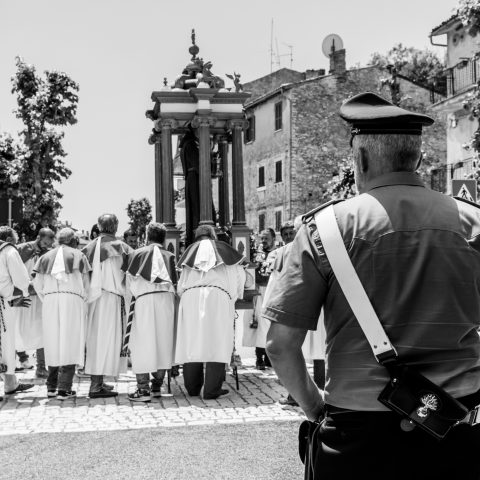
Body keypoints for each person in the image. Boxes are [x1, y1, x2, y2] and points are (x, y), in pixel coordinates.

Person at [264, 92, 480, 479]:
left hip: (356, 436)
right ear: (418, 159)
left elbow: (280, 345)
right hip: (456, 426)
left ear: (360, 159)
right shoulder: (472, 223)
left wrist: (316, 409)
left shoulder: (325, 231)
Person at [175, 224, 246, 399]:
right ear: (213, 235)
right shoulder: (225, 251)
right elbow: (239, 277)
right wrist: (232, 297)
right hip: (218, 296)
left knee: (192, 341)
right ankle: (212, 389)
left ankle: (192, 388)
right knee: (218, 341)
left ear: (196, 237)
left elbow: (180, 283)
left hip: (190, 297)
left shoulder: (190, 252)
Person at [33, 228, 91, 400]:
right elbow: (87, 283)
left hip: (50, 301)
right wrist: (83, 299)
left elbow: (37, 284)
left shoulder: (45, 257)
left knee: (52, 342)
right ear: (73, 241)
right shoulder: (79, 255)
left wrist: (47, 299)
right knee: (70, 341)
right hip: (72, 300)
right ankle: (64, 388)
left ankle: (51, 387)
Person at [122, 222, 177, 402]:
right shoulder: (170, 256)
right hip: (166, 301)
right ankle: (156, 387)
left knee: (141, 343)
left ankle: (143, 389)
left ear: (146, 236)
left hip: (144, 300)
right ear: (164, 237)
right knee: (163, 341)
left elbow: (128, 284)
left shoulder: (136, 254)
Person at [82, 214, 132, 398]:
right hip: (112, 299)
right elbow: (130, 275)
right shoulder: (123, 247)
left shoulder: (88, 248)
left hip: (93, 300)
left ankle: (99, 381)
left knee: (96, 340)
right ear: (116, 226)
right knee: (107, 341)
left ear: (99, 226)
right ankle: (95, 386)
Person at [14, 228, 56, 378]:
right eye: (44, 243)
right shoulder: (21, 249)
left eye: (49, 245)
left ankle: (41, 367)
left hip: (39, 298)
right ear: (38, 237)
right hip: (21, 297)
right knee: (16, 329)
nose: (46, 247)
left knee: (41, 331)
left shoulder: (49, 254)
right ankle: (13, 363)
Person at [0, 226, 34, 397]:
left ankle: (10, 383)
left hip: (5, 302)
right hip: (2, 306)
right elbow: (21, 279)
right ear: (9, 239)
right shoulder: (8, 251)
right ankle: (9, 383)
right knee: (4, 345)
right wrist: (28, 290)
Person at [253, 228, 277, 370]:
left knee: (271, 324)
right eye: (261, 238)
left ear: (273, 238)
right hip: (260, 290)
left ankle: (269, 357)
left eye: (266, 238)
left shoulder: (278, 252)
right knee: (259, 325)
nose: (263, 241)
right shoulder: (257, 254)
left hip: (273, 290)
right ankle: (259, 357)